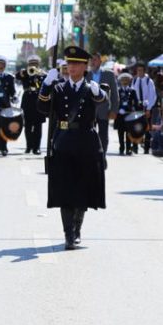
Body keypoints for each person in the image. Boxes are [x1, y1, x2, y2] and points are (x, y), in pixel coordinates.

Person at [38, 46, 107, 250]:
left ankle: (77, 229)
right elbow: (42, 108)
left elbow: (104, 102)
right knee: (65, 191)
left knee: (82, 190)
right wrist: (45, 86)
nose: (72, 67)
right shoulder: (58, 88)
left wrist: (98, 91)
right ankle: (68, 233)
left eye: (77, 63)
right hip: (64, 142)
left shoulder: (91, 88)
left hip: (86, 142)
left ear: (85, 67)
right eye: (69, 63)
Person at [87, 53, 119, 154]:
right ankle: (91, 156)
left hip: (104, 111)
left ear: (100, 62)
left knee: (103, 136)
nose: (93, 62)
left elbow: (114, 94)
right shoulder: (86, 74)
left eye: (95, 60)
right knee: (89, 135)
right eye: (91, 60)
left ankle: (102, 156)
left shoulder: (109, 74)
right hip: (89, 111)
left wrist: (114, 110)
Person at [16, 55, 47, 155]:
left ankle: (36, 148)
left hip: (38, 100)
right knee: (28, 125)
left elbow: (46, 84)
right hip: (27, 101)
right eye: (31, 63)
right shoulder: (25, 73)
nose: (33, 65)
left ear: (38, 64)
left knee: (38, 126)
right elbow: (17, 76)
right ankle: (29, 146)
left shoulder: (42, 74)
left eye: (35, 63)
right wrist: (25, 71)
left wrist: (38, 74)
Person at [132, 62, 157, 154]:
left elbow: (152, 96)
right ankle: (135, 146)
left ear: (144, 71)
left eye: (141, 70)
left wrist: (149, 108)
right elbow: (132, 93)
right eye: (138, 70)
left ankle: (146, 147)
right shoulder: (135, 80)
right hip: (137, 107)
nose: (139, 72)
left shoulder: (148, 81)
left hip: (146, 106)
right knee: (136, 127)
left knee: (147, 127)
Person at [114, 72, 140, 155]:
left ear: (129, 81)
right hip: (120, 115)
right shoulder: (118, 91)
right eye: (123, 80)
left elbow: (136, 103)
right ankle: (121, 147)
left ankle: (128, 148)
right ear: (120, 81)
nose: (125, 82)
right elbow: (115, 102)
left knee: (129, 132)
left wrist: (134, 111)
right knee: (120, 132)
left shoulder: (132, 91)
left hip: (129, 114)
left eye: (126, 80)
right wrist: (117, 110)